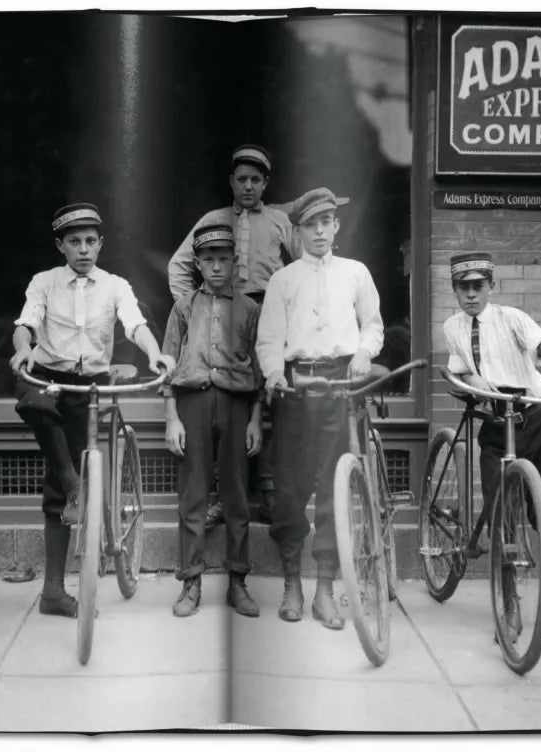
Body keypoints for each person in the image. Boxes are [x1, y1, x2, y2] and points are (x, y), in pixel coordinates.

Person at [10, 203, 176, 618]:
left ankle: (69, 494)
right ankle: (71, 489)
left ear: (100, 244)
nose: (83, 250)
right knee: (32, 403)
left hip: (90, 386)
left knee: (60, 483)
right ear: (60, 246)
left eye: (90, 241)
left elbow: (134, 324)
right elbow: (25, 324)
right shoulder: (44, 282)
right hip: (49, 376)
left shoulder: (115, 285)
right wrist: (24, 350)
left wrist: (155, 354)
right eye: (73, 242)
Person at [440, 251, 541, 641]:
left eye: (478, 286)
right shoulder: (452, 327)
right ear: (454, 290)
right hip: (494, 426)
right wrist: (474, 383)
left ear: (492, 286)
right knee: (502, 522)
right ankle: (509, 608)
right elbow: (457, 368)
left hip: (534, 421)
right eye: (463, 287)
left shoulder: (513, 319)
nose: (471, 295)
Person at [255, 188, 384, 630]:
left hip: (341, 386)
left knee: (334, 489)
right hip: (296, 389)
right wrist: (274, 373)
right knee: (289, 490)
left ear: (337, 226)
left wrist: (365, 352)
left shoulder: (355, 273)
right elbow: (269, 339)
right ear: (299, 230)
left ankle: (325, 589)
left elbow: (373, 325)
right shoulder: (283, 280)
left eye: (327, 222)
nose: (320, 232)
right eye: (311, 225)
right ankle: (293, 582)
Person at [166, 144, 295, 528]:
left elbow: (301, 266)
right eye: (242, 179)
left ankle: (270, 495)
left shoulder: (277, 221)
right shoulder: (214, 219)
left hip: (267, 314)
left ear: (266, 183)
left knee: (268, 400)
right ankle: (219, 499)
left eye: (256, 180)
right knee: (222, 401)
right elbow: (179, 264)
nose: (249, 186)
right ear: (231, 182)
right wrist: (194, 309)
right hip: (219, 313)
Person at [161, 223, 263, 619]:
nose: (217, 267)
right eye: (209, 260)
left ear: (235, 262)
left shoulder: (251, 309)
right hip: (193, 403)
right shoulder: (184, 306)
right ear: (198, 264)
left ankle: (238, 581)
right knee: (194, 494)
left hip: (237, 404)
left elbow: (258, 368)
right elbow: (168, 363)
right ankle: (191, 580)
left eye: (224, 259)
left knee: (237, 495)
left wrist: (256, 419)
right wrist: (172, 417)